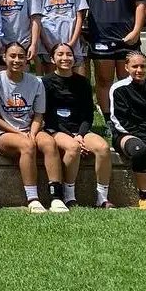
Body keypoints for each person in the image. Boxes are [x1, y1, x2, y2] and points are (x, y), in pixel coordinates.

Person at [0, 41, 58, 213]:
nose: (17, 60)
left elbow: (39, 114)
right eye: (13, 56)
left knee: (49, 143)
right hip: (3, 132)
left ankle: (56, 196)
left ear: (27, 60)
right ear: (4, 57)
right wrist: (19, 133)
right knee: (27, 145)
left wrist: (32, 132)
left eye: (21, 57)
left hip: (30, 128)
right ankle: (33, 198)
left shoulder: (36, 82)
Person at [79, 0, 146, 120]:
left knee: (130, 80)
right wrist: (82, 31)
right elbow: (80, 8)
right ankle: (109, 119)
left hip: (127, 39)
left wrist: (135, 32)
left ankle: (130, 117)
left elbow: (141, 5)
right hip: (100, 39)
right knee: (104, 81)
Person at [39, 43, 112, 209]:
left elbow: (88, 114)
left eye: (69, 54)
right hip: (56, 129)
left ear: (74, 58)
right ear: (52, 58)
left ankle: (102, 197)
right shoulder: (45, 83)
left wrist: (80, 134)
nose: (65, 58)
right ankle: (69, 195)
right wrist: (74, 138)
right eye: (60, 54)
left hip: (80, 130)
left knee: (103, 147)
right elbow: (47, 115)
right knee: (73, 148)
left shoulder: (83, 82)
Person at [109, 50, 146, 209]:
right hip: (126, 134)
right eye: (135, 66)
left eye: (143, 66)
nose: (139, 70)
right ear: (126, 68)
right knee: (139, 149)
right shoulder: (118, 89)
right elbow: (118, 121)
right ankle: (145, 196)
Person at [30, 0, 88, 75]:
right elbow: (37, 18)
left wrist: (72, 42)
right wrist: (48, 45)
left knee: (79, 80)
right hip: (48, 44)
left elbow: (79, 16)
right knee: (54, 82)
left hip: (72, 42)